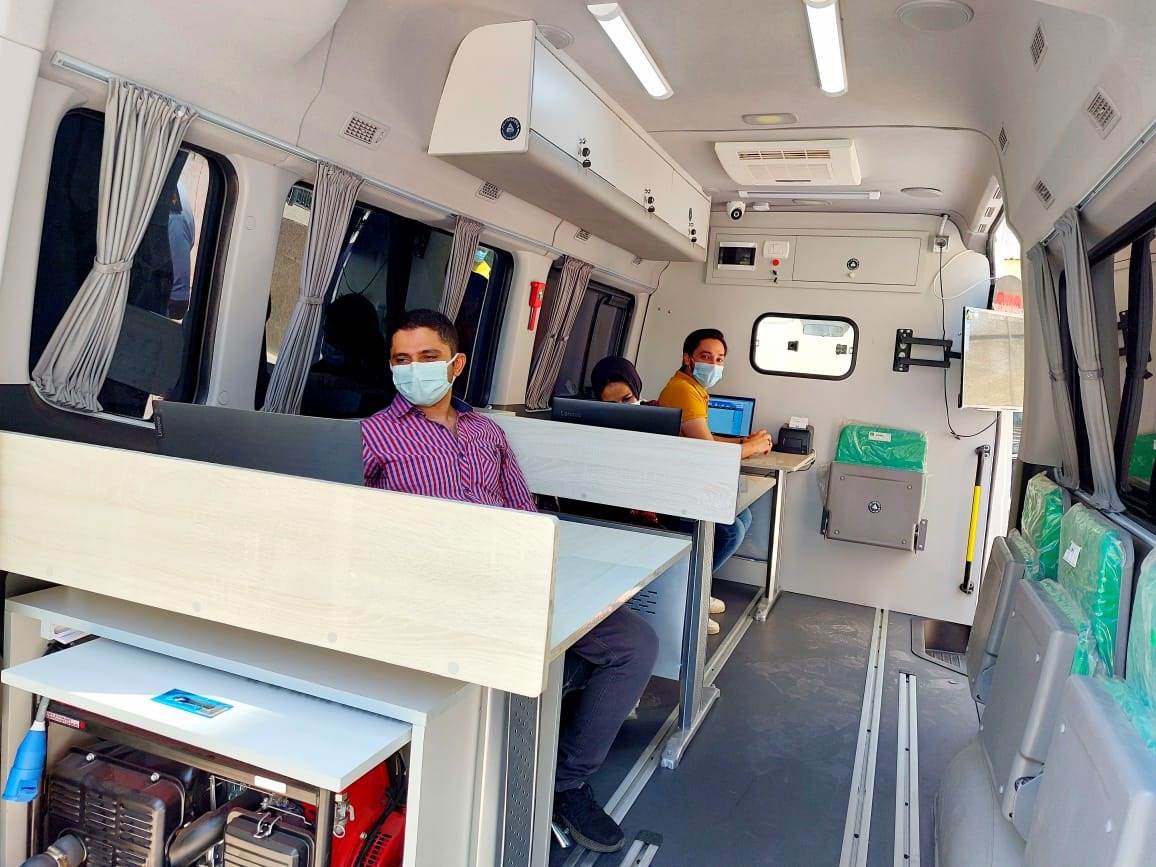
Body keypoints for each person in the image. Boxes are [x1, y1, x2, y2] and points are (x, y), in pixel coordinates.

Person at [362, 310, 657, 854]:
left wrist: (545, 568)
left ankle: (565, 783)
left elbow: (523, 512)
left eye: (427, 357)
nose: (413, 369)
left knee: (635, 643)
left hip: (512, 577)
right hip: (437, 591)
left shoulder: (487, 432)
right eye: (402, 360)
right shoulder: (372, 437)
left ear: (455, 365)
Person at [658, 328, 771, 635]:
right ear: (688, 358)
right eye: (706, 357)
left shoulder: (694, 388)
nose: (714, 364)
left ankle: (695, 586)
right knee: (731, 530)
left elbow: (704, 437)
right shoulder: (683, 390)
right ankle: (687, 594)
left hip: (688, 479)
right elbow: (708, 451)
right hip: (674, 488)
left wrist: (741, 442)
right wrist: (752, 448)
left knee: (743, 516)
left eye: (719, 359)